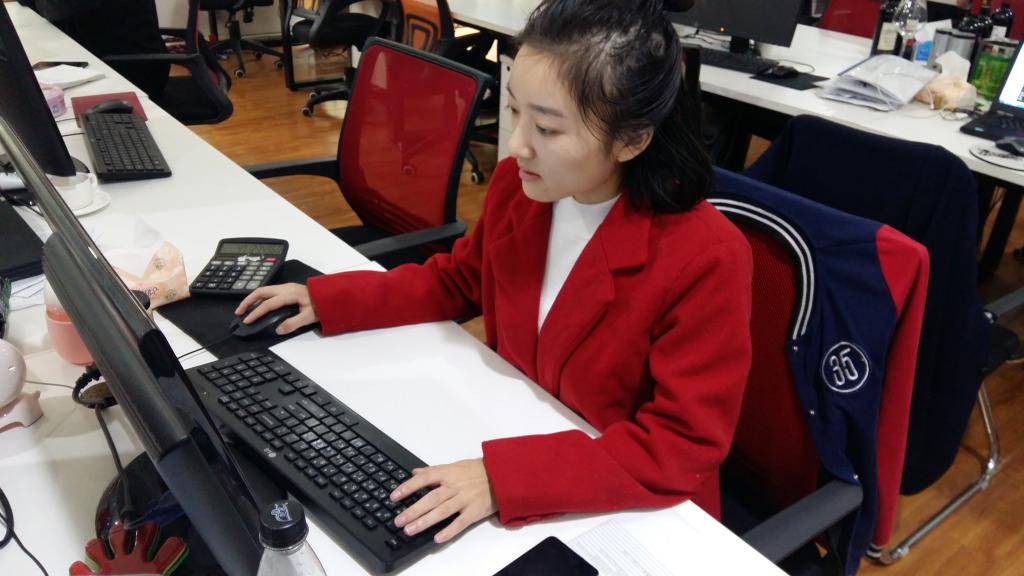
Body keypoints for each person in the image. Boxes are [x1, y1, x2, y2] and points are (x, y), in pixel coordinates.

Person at [237, 0, 753, 545]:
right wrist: (329, 299)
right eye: (514, 111)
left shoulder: (706, 256)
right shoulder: (520, 188)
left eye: (547, 128)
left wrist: (501, 479)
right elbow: (459, 281)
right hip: (514, 432)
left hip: (623, 502)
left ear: (631, 139)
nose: (516, 145)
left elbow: (681, 445)